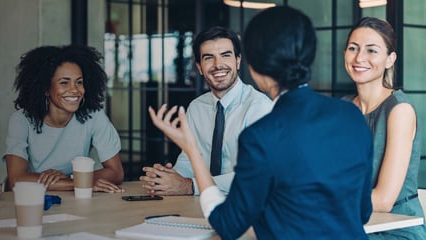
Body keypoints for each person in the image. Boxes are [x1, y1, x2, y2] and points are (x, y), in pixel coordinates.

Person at [148, 6, 374, 239]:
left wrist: (191, 149)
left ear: (251, 67)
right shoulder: (350, 115)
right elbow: (362, 212)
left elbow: (227, 225)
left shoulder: (262, 134)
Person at [140, 26, 273, 196]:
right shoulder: (196, 107)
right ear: (200, 67)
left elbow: (256, 174)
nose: (218, 65)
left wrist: (190, 186)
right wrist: (168, 178)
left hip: (247, 204)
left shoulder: (259, 108)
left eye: (226, 55)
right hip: (202, 203)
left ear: (238, 61)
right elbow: (188, 160)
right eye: (209, 58)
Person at [342, 17, 426, 239]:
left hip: (397, 229)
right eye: (353, 48)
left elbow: (384, 200)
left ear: (390, 59)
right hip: (352, 222)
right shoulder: (341, 109)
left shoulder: (399, 110)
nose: (359, 58)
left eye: (372, 51)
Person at [4, 45, 124, 193]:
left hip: (73, 200)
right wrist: (81, 183)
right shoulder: (21, 120)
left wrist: (71, 179)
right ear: (46, 88)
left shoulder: (94, 116)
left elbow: (116, 172)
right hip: (30, 199)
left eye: (79, 82)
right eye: (64, 82)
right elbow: (16, 180)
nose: (74, 90)